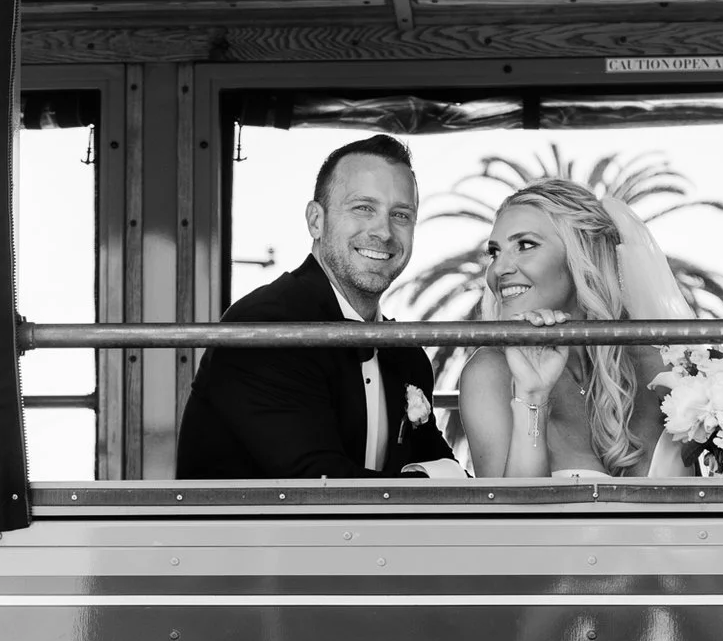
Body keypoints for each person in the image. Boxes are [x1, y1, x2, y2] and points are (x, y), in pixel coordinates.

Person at [176, 135, 462, 479]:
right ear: (316, 221)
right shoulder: (263, 328)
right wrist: (433, 482)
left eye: (401, 215)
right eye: (363, 208)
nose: (384, 232)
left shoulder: (406, 355)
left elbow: (447, 468)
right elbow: (319, 485)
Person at [458, 177, 695, 479]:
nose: (499, 269)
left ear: (581, 255)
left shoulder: (664, 368)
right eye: (495, 252)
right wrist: (532, 396)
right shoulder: (490, 373)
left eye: (525, 245)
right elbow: (511, 508)